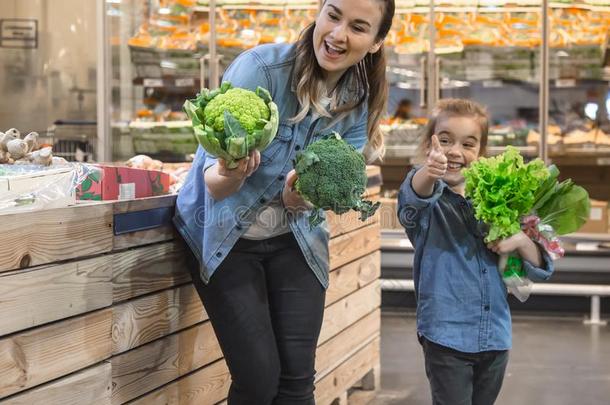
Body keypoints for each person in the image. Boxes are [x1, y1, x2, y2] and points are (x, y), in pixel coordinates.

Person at [173, 0, 395, 403]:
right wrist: (230, 173)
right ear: (320, 11)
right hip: (224, 235)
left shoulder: (358, 100)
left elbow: (336, 179)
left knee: (296, 382)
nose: (338, 34)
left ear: (377, 41)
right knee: (258, 380)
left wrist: (304, 198)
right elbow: (212, 186)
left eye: (359, 27)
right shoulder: (260, 69)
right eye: (333, 15)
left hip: (295, 239)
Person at [397, 99, 554, 405]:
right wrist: (429, 172)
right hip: (446, 337)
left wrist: (521, 241)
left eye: (468, 144)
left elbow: (540, 267)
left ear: (481, 153)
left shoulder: (500, 201)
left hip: (495, 334)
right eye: (444, 141)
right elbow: (412, 200)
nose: (455, 151)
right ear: (429, 145)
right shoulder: (431, 204)